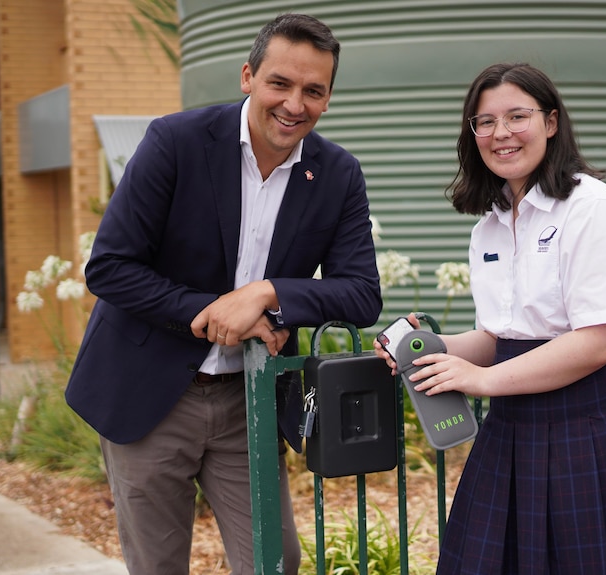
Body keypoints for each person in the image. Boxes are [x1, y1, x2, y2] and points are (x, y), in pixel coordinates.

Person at [65, 13, 382, 575]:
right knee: (158, 565)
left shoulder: (337, 174)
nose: (294, 104)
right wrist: (210, 312)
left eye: (314, 91)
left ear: (328, 99)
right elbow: (110, 267)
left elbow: (361, 294)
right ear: (248, 77)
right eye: (280, 83)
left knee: (275, 562)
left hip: (250, 399)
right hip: (148, 393)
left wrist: (267, 293)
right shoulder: (175, 141)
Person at [375, 63, 606, 574]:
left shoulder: (593, 209)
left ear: (551, 123)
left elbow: (598, 341)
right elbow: (500, 336)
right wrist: (430, 349)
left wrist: (482, 381)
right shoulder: (488, 228)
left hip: (598, 424)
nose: (501, 134)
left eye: (518, 116)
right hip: (516, 426)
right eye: (485, 122)